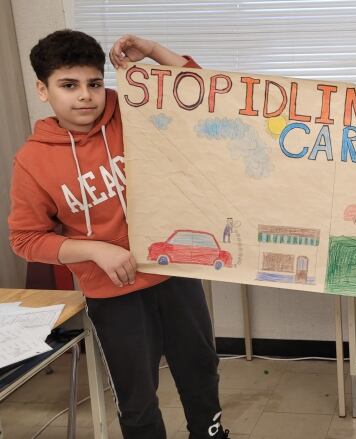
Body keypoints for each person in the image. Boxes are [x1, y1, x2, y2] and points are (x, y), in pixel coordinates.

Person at [8, 30, 229, 439]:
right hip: (112, 290)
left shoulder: (131, 111)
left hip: (173, 271)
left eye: (94, 83)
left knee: (200, 370)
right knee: (137, 395)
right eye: (68, 85)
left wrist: (155, 51)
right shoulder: (33, 160)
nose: (85, 96)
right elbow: (25, 239)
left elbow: (198, 92)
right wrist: (94, 250)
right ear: (43, 89)